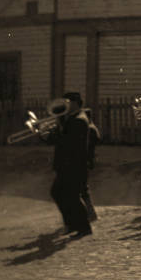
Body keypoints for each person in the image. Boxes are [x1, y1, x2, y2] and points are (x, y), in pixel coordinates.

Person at [44, 91, 92, 238]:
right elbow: (57, 140)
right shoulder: (70, 118)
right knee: (60, 193)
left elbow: (67, 142)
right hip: (66, 164)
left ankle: (83, 228)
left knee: (69, 195)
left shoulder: (79, 119)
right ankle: (72, 224)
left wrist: (57, 129)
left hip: (74, 164)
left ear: (75, 103)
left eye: (67, 102)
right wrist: (46, 134)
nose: (64, 105)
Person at [80, 100, 100, 222]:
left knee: (83, 189)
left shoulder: (90, 129)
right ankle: (90, 213)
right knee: (83, 188)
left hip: (86, 160)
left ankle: (91, 214)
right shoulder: (91, 128)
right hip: (87, 159)